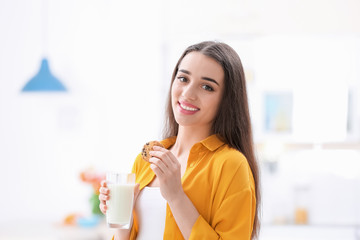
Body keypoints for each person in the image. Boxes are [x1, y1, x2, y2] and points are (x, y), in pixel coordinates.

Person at [99, 41, 260, 240]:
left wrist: (176, 196)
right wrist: (122, 218)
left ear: (226, 100)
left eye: (206, 87)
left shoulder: (231, 165)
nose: (188, 93)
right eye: (183, 78)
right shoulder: (147, 159)